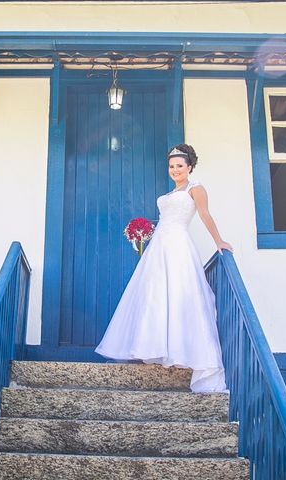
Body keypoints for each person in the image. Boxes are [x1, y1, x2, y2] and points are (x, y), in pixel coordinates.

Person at [95, 144, 232, 393]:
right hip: (159, 246)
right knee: (155, 296)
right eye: (171, 166)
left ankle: (181, 349)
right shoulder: (170, 194)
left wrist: (219, 241)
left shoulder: (196, 188)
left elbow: (204, 215)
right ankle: (154, 346)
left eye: (180, 166)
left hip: (178, 245)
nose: (175, 170)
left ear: (189, 167)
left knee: (180, 293)